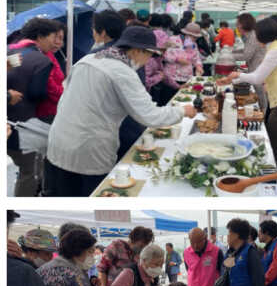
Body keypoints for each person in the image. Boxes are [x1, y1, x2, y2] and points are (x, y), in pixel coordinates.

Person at [45, 26, 196, 196]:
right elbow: (149, 115)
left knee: (66, 195)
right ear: (138, 51)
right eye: (150, 55)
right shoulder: (122, 71)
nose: (148, 60)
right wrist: (182, 111)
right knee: (93, 193)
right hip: (89, 146)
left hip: (59, 140)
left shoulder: (88, 58)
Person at [221, 18, 277, 193]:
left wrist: (237, 75)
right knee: (276, 142)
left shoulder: (275, 51)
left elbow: (258, 78)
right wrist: (239, 76)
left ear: (261, 35)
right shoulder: (274, 48)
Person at [7, 17, 62, 196]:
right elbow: (38, 93)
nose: (55, 42)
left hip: (9, 123)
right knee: (28, 172)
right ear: (40, 37)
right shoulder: (42, 60)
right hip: (24, 125)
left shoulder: (10, 52)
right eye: (53, 37)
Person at [232, 13, 268, 111]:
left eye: (238, 24)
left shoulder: (252, 36)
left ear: (243, 24)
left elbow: (246, 56)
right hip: (255, 70)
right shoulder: (250, 35)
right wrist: (233, 52)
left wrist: (230, 56)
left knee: (261, 98)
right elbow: (245, 51)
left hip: (258, 71)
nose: (236, 26)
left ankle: (262, 119)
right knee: (259, 96)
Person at [145, 13, 179, 106]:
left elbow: (164, 74)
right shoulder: (149, 60)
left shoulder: (157, 57)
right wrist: (160, 77)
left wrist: (178, 86)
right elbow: (145, 81)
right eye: (164, 48)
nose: (165, 50)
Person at [163, 22, 203, 88]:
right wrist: (177, 59)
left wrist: (198, 66)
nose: (195, 39)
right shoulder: (172, 39)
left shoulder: (194, 44)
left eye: (196, 37)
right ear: (187, 34)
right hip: (172, 78)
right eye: (194, 37)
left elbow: (196, 58)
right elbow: (164, 55)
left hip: (187, 77)